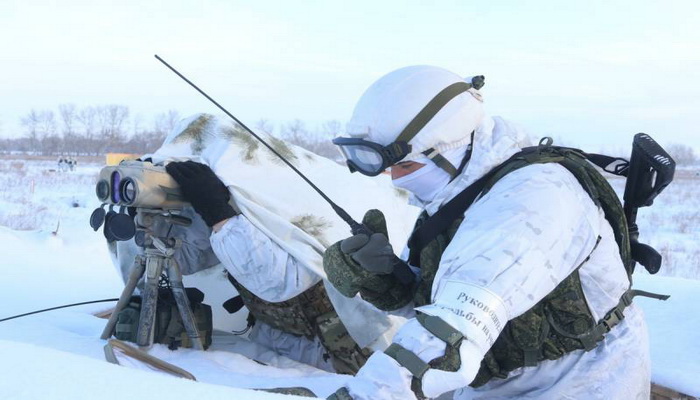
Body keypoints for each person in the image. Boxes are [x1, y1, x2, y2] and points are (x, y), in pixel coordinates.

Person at [323, 65, 651, 399]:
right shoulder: (460, 193)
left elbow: (455, 325)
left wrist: (368, 394)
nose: (394, 179)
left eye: (404, 165)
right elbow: (442, 300)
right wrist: (390, 280)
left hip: (580, 381)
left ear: (447, 148)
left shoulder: (534, 198)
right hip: (495, 379)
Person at [165, 159, 371, 374]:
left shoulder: (303, 215)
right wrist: (154, 221)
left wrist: (218, 213)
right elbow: (184, 260)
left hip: (331, 353)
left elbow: (278, 283)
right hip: (269, 336)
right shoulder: (242, 206)